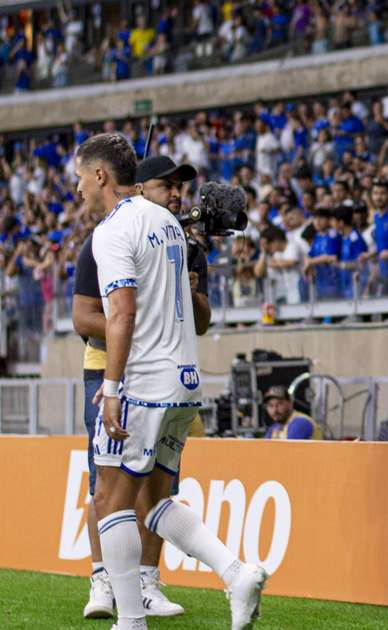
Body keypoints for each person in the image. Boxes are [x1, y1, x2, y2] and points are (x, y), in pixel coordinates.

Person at [79, 133, 266, 630]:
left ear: (100, 175)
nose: (77, 188)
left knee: (109, 499)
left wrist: (113, 386)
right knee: (155, 501)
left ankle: (131, 622)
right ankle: (236, 571)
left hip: (143, 381)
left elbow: (121, 313)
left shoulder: (113, 229)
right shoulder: (169, 224)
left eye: (80, 177)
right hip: (185, 380)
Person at [73, 153, 211, 620]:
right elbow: (85, 315)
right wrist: (126, 338)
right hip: (111, 374)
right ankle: (103, 579)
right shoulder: (104, 236)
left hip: (156, 376)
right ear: (139, 187)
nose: (175, 194)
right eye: (165, 185)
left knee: (154, 489)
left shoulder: (184, 244)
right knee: (106, 486)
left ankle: (145, 585)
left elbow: (202, 321)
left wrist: (185, 292)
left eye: (179, 187)